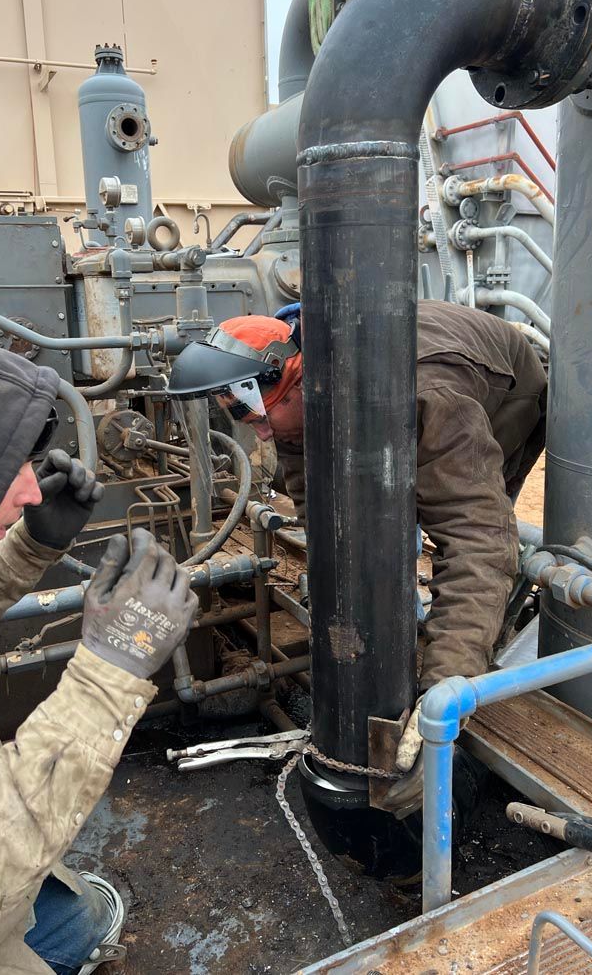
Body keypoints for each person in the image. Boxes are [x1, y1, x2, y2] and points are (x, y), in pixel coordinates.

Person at [0, 329, 197, 974]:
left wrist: (31, 546)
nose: (30, 492)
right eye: (5, 472)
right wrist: (110, 671)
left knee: (78, 913)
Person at [167, 300, 547, 799]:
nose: (259, 431)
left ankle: (463, 652)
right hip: (385, 393)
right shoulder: (293, 396)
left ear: (299, 381)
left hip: (505, 389)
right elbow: (315, 501)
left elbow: (478, 541)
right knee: (380, 525)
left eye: (260, 415)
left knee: (462, 524)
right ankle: (409, 638)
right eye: (244, 417)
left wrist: (443, 698)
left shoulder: (428, 394)